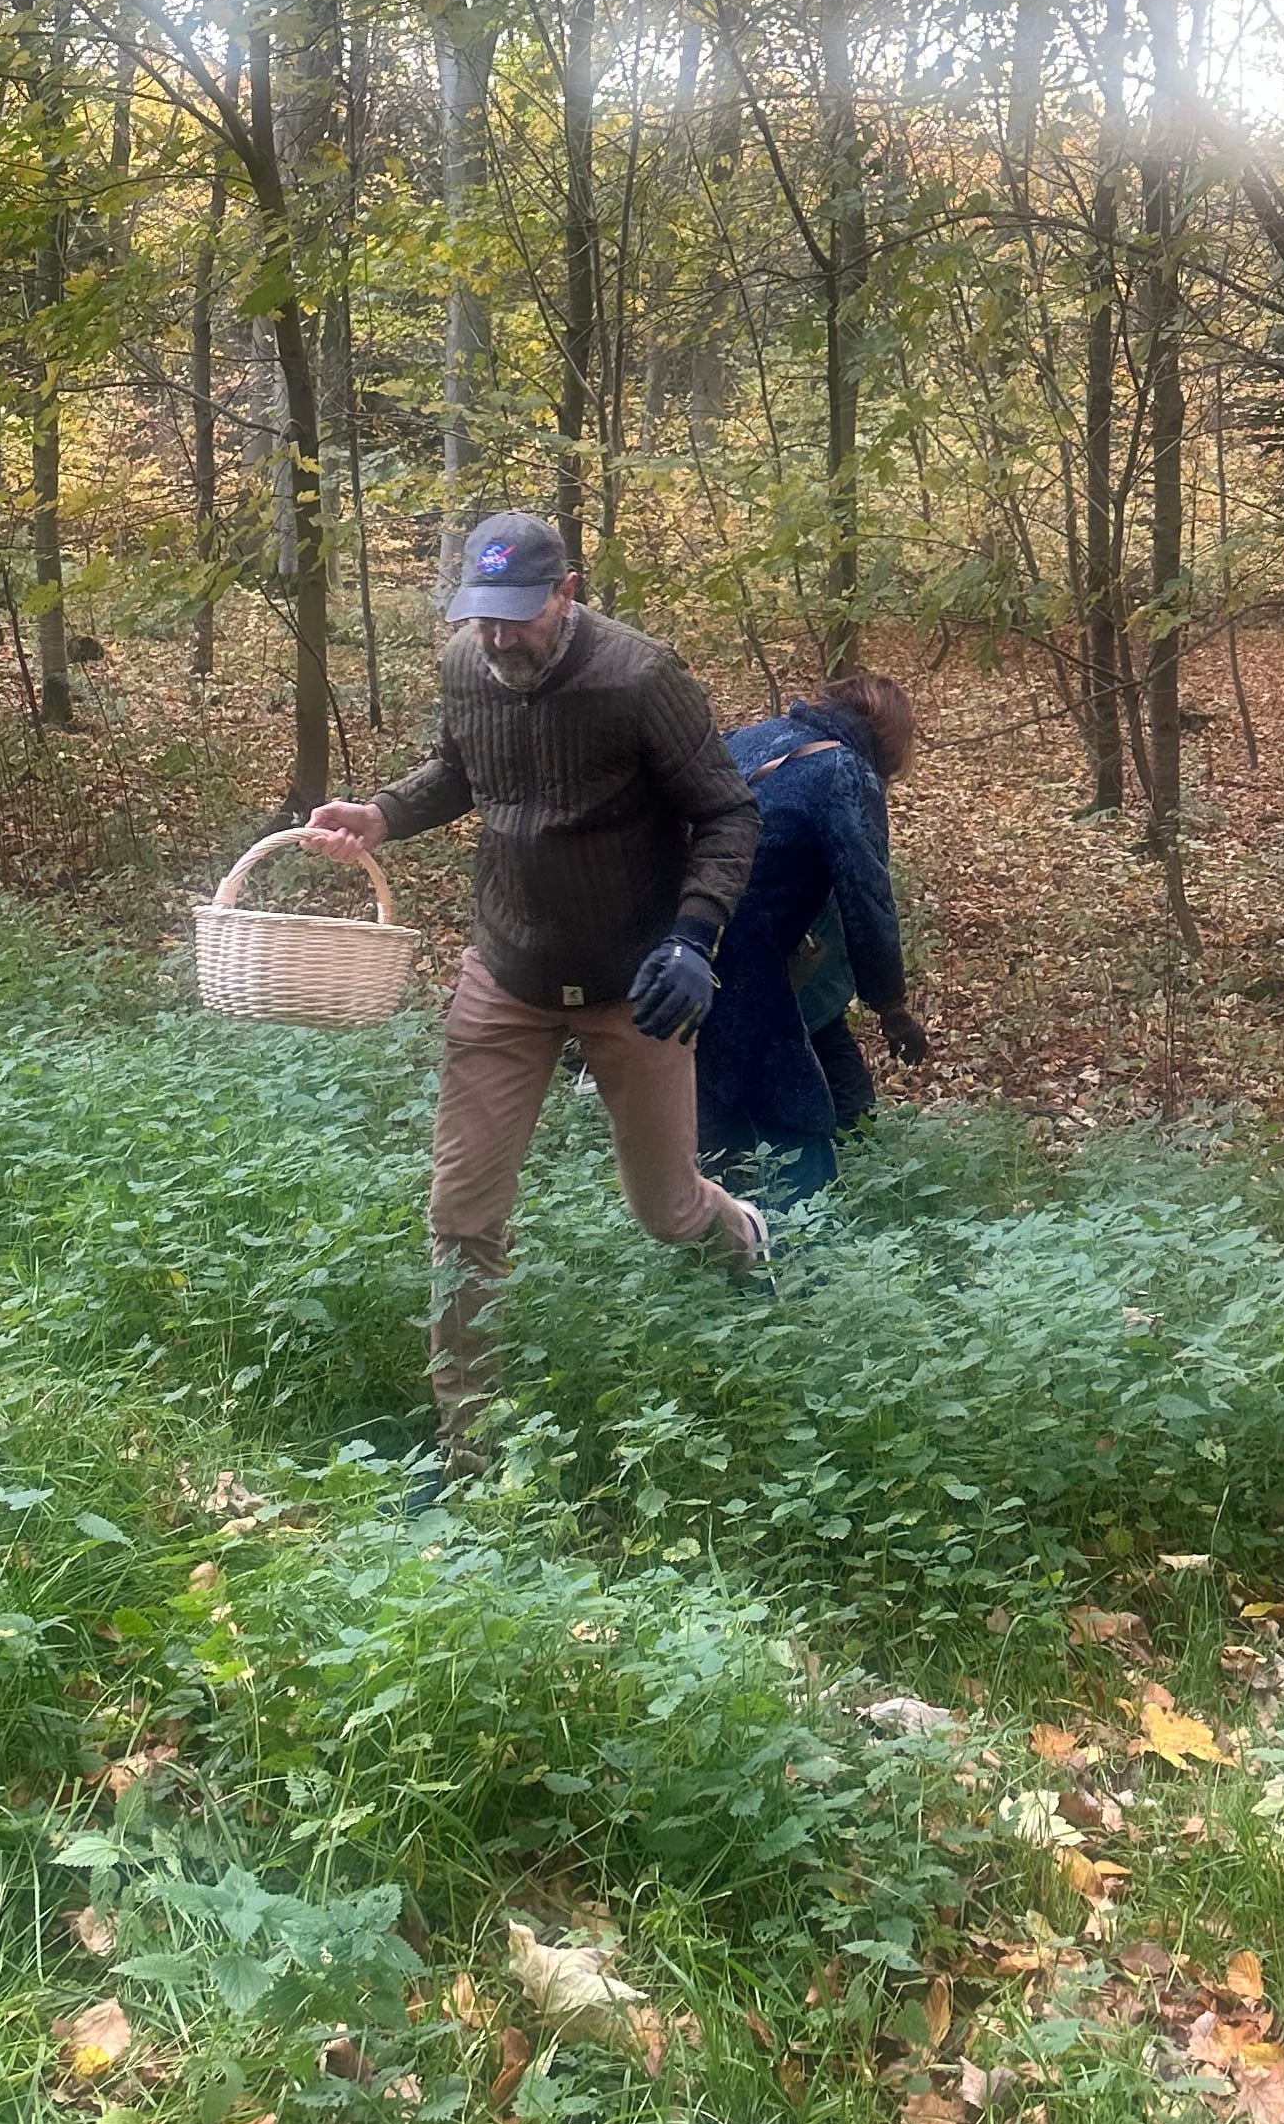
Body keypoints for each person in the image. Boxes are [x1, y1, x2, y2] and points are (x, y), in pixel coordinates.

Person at [307, 510, 770, 1473]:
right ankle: (466, 1451)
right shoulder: (467, 665)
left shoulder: (642, 677)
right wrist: (380, 814)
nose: (499, 635)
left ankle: (741, 1241)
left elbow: (728, 812)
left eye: (519, 614)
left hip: (634, 983)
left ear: (568, 593)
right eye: (483, 613)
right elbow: (460, 770)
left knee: (664, 1211)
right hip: (506, 973)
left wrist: (694, 937)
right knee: (463, 1216)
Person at [693, 673, 927, 1206]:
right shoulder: (843, 770)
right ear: (890, 736)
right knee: (795, 1116)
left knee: (712, 1106)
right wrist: (891, 1006)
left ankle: (720, 1257)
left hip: (682, 939)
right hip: (745, 955)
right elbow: (868, 900)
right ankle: (810, 1265)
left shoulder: (749, 737)